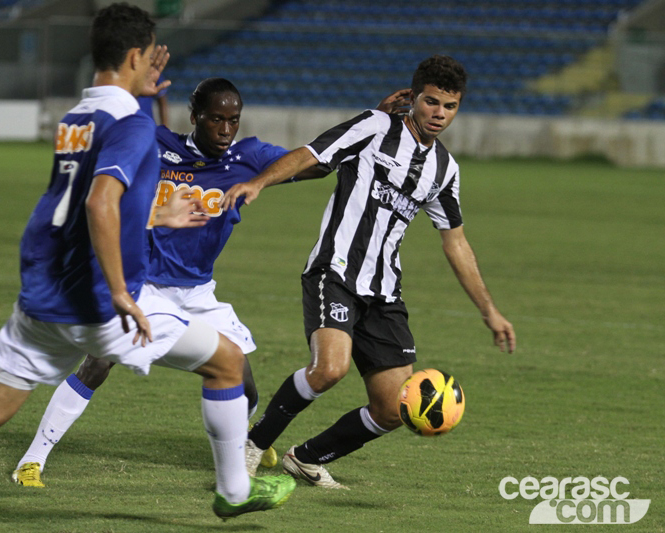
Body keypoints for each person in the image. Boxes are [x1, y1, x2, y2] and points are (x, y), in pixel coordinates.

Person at [0, 5, 296, 531]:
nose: (152, 65)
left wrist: (156, 212)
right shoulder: (131, 125)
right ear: (136, 56)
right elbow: (99, 202)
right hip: (96, 297)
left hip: (43, 290)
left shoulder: (77, 118)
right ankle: (233, 491)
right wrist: (120, 291)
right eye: (148, 56)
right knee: (227, 363)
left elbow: (79, 199)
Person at [9, 78, 414, 488]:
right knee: (98, 362)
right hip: (143, 284)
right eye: (215, 119)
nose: (225, 129)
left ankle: (245, 442)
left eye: (232, 120)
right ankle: (32, 460)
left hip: (199, 292)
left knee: (244, 380)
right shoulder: (157, 145)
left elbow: (315, 163)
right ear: (195, 117)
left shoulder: (248, 156)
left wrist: (374, 121)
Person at [221, 55, 517, 489]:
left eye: (449, 106)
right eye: (431, 102)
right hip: (335, 271)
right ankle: (253, 444)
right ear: (414, 97)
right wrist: (259, 182)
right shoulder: (375, 127)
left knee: (394, 407)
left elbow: (455, 242)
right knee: (330, 369)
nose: (439, 113)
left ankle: (306, 459)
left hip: (384, 291)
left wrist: (489, 311)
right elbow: (312, 154)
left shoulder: (445, 170)